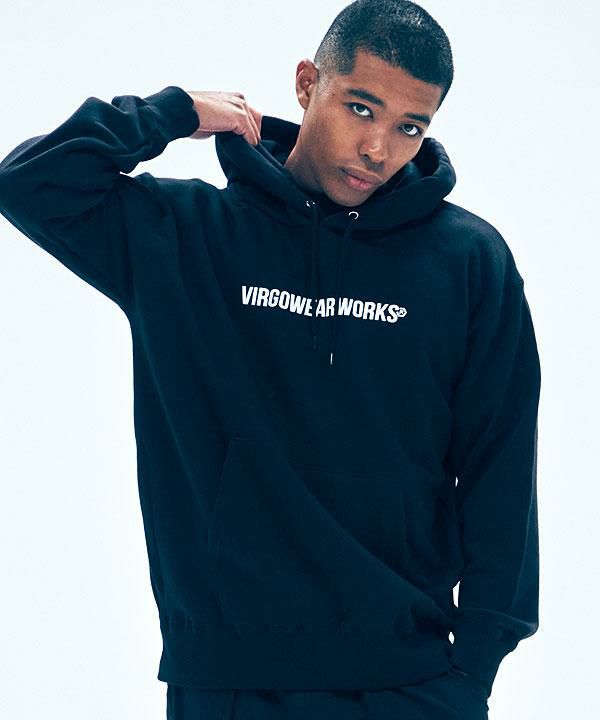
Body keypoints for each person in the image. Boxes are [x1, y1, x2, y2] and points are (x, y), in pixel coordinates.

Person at [0, 0, 541, 718]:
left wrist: (474, 670)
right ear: (307, 83)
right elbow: (29, 183)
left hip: (411, 680)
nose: (378, 148)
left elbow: (501, 465)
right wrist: (172, 112)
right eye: (360, 108)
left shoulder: (468, 262)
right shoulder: (185, 235)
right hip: (227, 678)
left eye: (410, 127)